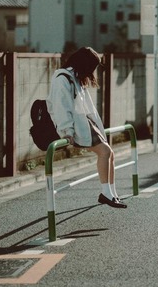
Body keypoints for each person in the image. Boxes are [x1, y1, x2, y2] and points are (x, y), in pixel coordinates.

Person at [46, 47, 127, 209]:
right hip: (75, 126)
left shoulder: (74, 77)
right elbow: (61, 107)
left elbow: (85, 107)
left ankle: (112, 193)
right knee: (105, 152)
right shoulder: (62, 78)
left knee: (110, 153)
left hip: (84, 123)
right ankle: (106, 193)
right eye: (91, 68)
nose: (92, 72)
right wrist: (66, 131)